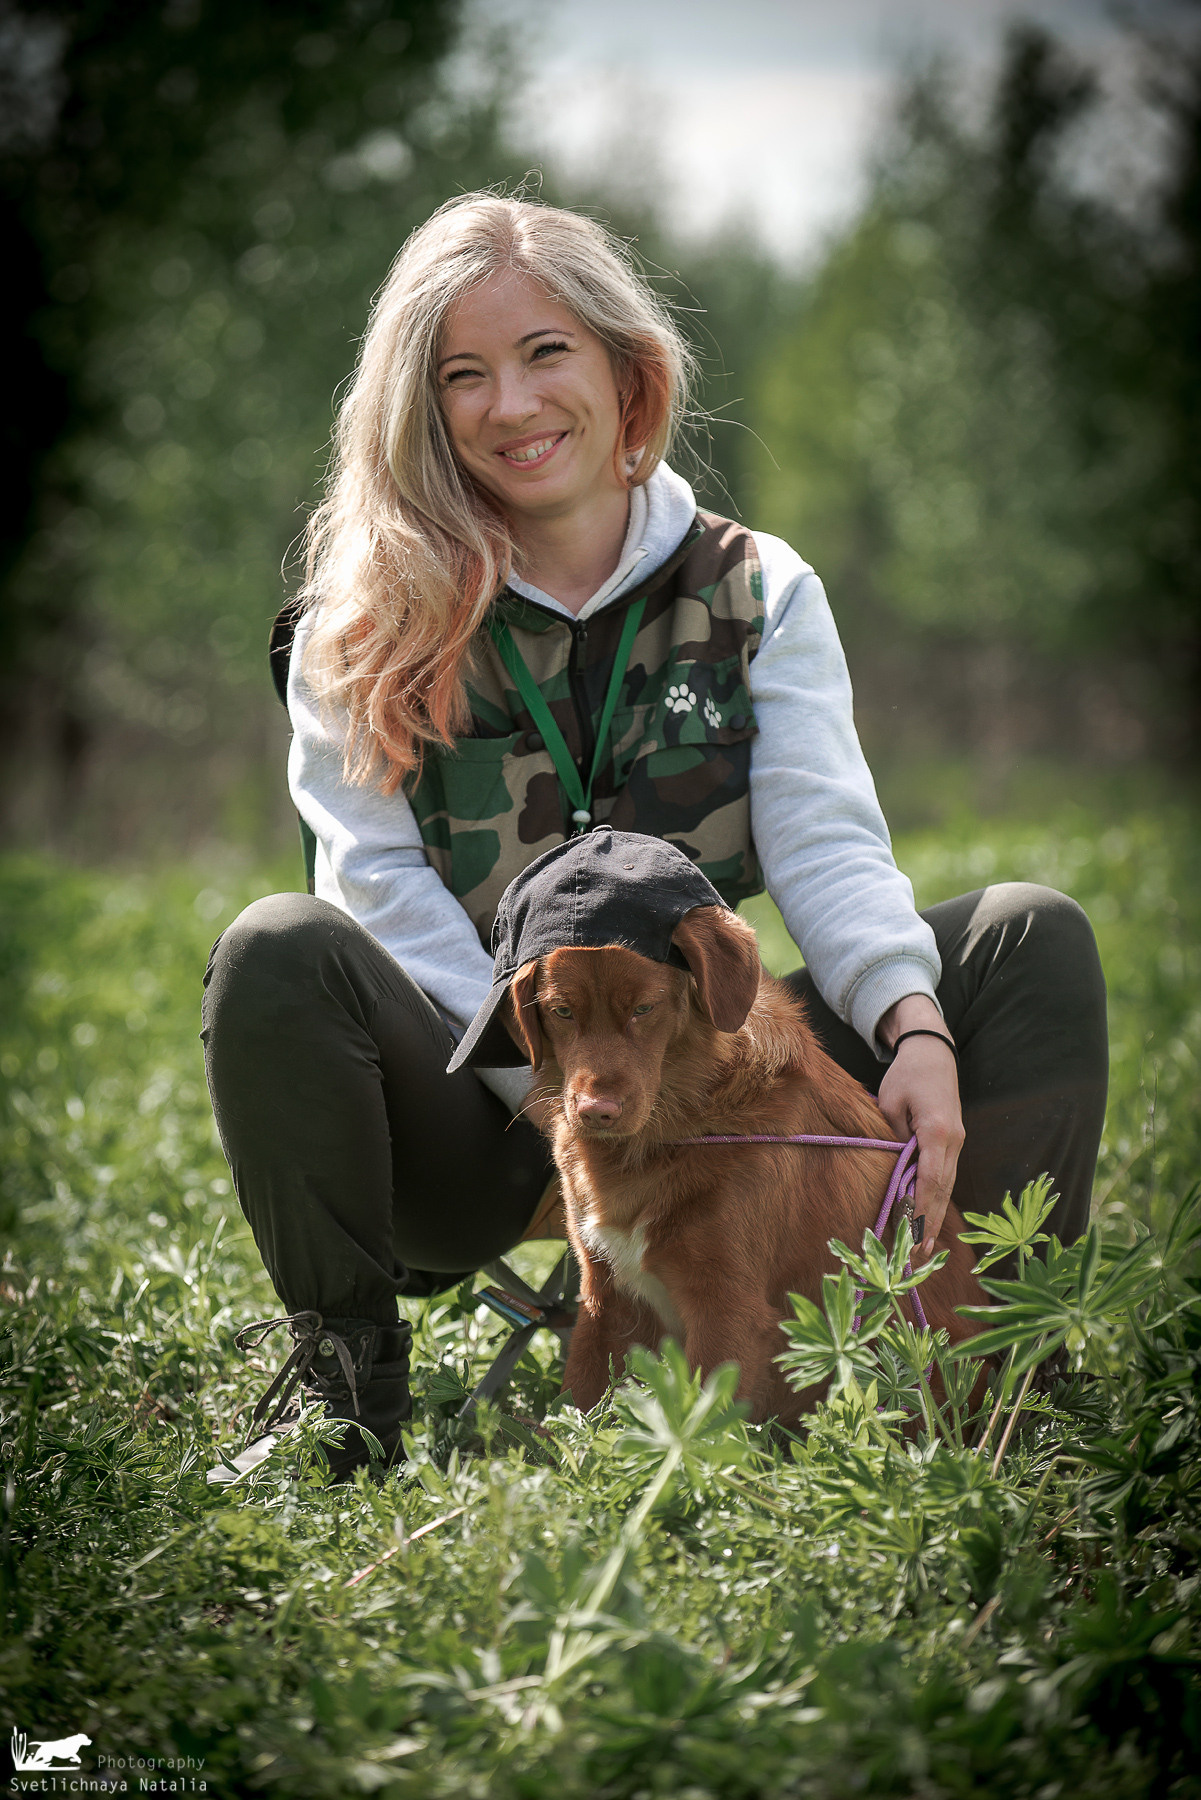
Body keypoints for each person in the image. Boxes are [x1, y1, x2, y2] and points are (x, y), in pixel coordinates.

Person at [201, 193, 1108, 1480]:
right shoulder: (364, 620)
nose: (510, 405)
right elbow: (378, 885)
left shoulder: (758, 587)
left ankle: (1003, 1383)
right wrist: (558, 1092)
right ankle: (343, 1409)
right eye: (463, 376)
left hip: (718, 1098)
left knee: (1028, 936)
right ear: (421, 409)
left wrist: (912, 1025)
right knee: (277, 947)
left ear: (629, 367)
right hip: (485, 1105)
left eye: (545, 353)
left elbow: (824, 842)